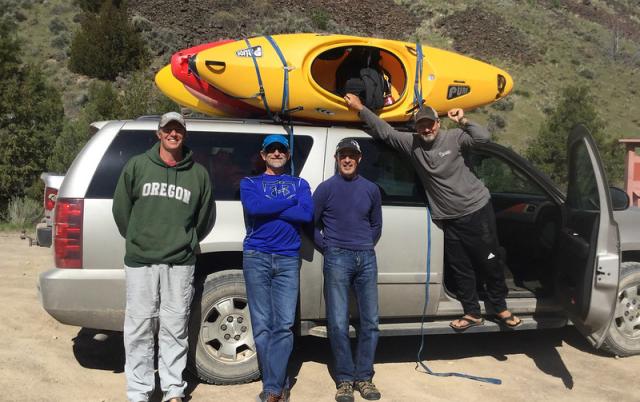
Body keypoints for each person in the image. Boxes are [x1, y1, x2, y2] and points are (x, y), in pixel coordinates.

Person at [343, 94, 521, 331]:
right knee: (460, 266)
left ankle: (500, 306)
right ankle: (471, 312)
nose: (426, 128)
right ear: (416, 127)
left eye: (430, 123)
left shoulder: (455, 137)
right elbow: (385, 132)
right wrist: (360, 108)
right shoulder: (412, 143)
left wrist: (463, 121)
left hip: (477, 210)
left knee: (489, 260)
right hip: (448, 218)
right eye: (421, 124)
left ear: (438, 123)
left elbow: (483, 138)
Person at [112, 111, 214, 402]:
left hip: (179, 263)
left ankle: (173, 389)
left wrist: (187, 240)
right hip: (141, 261)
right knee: (139, 327)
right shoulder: (137, 166)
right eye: (167, 130)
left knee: (175, 326)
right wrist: (137, 239)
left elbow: (205, 217)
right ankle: (139, 392)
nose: (173, 134)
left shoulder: (198, 174)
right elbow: (121, 210)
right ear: (158, 133)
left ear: (184, 134)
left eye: (178, 130)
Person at [240, 134, 314, 402]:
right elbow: (254, 207)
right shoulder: (250, 182)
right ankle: (277, 386)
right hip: (257, 256)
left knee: (283, 325)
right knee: (261, 326)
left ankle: (272, 389)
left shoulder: (300, 183)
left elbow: (306, 215)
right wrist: (288, 203)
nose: (276, 153)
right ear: (263, 155)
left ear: (288, 154)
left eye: (281, 149)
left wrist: (270, 208)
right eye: (270, 150)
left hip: (287, 258)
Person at [313, 138, 382, 402]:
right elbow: (310, 223)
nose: (348, 159)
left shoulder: (371, 190)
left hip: (366, 257)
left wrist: (363, 245)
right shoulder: (325, 189)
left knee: (370, 322)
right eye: (343, 155)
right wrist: (329, 247)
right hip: (337, 258)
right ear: (336, 158)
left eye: (352, 155)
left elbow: (377, 225)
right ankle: (344, 380)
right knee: (339, 323)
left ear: (359, 158)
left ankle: (364, 378)